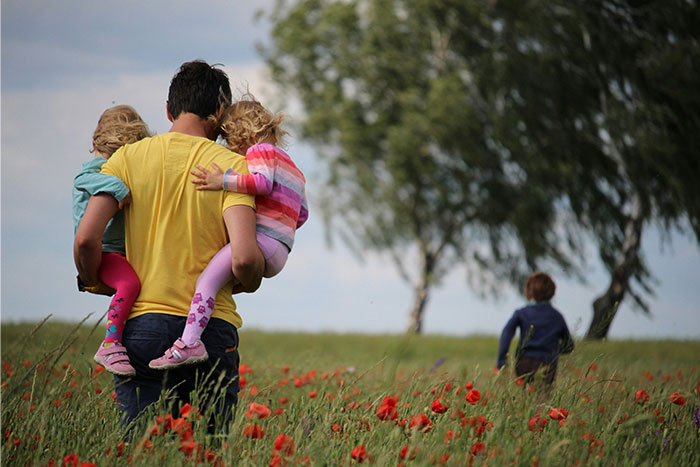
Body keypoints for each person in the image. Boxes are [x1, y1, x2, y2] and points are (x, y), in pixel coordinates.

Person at [74, 60, 264, 430]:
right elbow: (243, 257)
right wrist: (251, 278)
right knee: (207, 451)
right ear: (221, 112)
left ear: (168, 109)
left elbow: (85, 238)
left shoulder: (126, 159)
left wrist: (93, 279)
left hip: (141, 326)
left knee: (144, 448)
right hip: (210, 331)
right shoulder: (233, 168)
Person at [149, 97, 309, 369]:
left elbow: (261, 183)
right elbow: (302, 214)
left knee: (206, 282)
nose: (227, 145)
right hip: (281, 249)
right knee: (220, 282)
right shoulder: (294, 168)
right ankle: (197, 328)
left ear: (240, 132)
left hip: (262, 242)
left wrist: (221, 180)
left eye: (227, 137)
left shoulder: (260, 151)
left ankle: (189, 343)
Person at [72, 105, 151, 376]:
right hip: (104, 251)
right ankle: (111, 343)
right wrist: (118, 187)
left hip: (117, 251)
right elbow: (83, 178)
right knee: (130, 283)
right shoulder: (98, 169)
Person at [496, 272, 574, 387]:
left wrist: (502, 362)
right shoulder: (557, 316)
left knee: (526, 397)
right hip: (547, 364)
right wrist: (552, 350)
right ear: (551, 293)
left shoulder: (522, 313)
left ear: (529, 291)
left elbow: (506, 334)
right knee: (543, 399)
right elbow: (569, 346)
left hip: (524, 363)